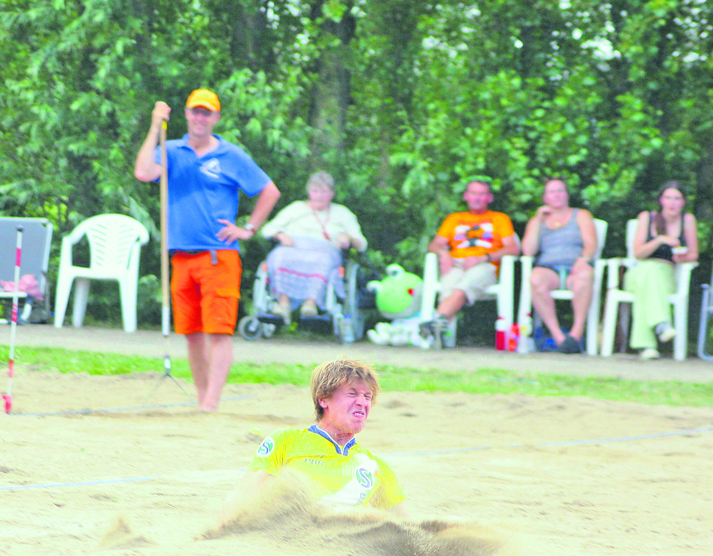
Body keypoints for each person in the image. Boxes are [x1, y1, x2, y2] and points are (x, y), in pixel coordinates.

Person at [134, 88, 281, 411]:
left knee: (218, 331)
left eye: (207, 112)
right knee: (192, 333)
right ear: (186, 114)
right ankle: (203, 400)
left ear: (216, 117)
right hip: (181, 255)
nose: (200, 117)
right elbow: (144, 172)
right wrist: (155, 126)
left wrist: (248, 229)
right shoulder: (170, 149)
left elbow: (269, 191)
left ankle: (211, 403)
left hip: (218, 254)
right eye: (195, 111)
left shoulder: (231, 155)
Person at [213, 358, 407, 531]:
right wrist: (220, 533)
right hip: (289, 538)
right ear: (323, 399)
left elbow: (406, 529)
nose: (362, 402)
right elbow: (245, 494)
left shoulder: (377, 467)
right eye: (352, 393)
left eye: (367, 396)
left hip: (342, 547)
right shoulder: (286, 440)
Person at [258, 171, 366, 324]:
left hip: (325, 250)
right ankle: (283, 304)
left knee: (324, 260)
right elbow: (267, 230)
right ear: (309, 192)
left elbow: (362, 243)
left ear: (332, 194)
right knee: (279, 256)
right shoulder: (296, 208)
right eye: (315, 191)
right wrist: (281, 235)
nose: (319, 196)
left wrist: (349, 238)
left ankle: (311, 303)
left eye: (324, 191)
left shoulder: (342, 213)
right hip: (293, 247)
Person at [425, 179, 519, 331]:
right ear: (466, 196)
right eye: (473, 193)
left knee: (464, 286)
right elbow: (434, 245)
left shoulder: (500, 219)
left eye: (482, 194)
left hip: (485, 266)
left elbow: (513, 249)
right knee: (449, 285)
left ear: (489, 198)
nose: (477, 198)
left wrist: (484, 257)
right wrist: (444, 253)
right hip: (456, 264)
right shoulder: (453, 219)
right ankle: (438, 326)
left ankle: (435, 323)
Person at [520, 178, 598, 354]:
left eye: (560, 190)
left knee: (585, 276)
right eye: (552, 191)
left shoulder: (581, 215)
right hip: (549, 270)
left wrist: (583, 259)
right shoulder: (537, 221)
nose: (557, 195)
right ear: (545, 198)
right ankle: (559, 337)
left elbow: (591, 244)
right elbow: (528, 251)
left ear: (567, 195)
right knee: (536, 279)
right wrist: (538, 222)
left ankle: (576, 334)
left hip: (575, 267)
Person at [625, 181, 699, 360]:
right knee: (648, 270)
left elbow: (693, 254)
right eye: (668, 198)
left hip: (666, 275)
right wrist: (660, 240)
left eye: (677, 198)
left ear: (683, 202)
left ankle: (646, 346)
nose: (672, 203)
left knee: (648, 286)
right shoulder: (647, 217)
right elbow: (638, 254)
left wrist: (681, 257)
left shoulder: (687, 220)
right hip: (638, 272)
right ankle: (661, 323)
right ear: (661, 201)